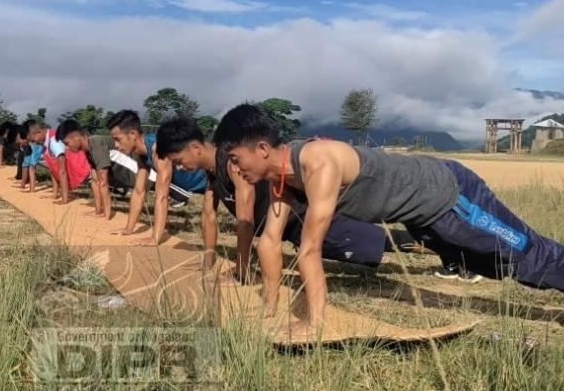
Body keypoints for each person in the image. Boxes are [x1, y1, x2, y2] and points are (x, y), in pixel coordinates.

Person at [214, 103, 564, 339]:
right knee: (495, 267)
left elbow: (309, 249)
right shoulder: (284, 180)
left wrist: (312, 324)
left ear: (263, 148)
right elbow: (270, 242)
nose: (234, 170)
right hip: (424, 219)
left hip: (450, 196)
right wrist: (268, 311)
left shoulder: (317, 161)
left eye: (236, 160)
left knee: (523, 252)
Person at [155, 117, 436, 284]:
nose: (180, 168)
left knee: (381, 240)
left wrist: (242, 270)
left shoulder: (232, 165)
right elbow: (208, 215)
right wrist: (209, 255)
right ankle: (443, 248)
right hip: (292, 231)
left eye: (179, 161)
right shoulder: (212, 172)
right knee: (370, 246)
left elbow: (245, 221)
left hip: (306, 217)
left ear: (194, 148)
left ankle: (446, 253)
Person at [107, 110, 207, 246]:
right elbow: (138, 191)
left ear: (132, 135)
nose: (116, 145)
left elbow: (162, 197)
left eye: (118, 139)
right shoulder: (140, 153)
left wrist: (155, 238)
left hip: (208, 180)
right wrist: (128, 229)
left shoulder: (158, 151)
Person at [57, 119, 115, 219]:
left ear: (76, 136)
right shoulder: (88, 150)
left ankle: (106, 213)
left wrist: (106, 216)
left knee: (101, 181)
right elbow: (95, 180)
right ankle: (98, 210)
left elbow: (103, 182)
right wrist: (97, 211)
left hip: (136, 172)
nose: (66, 148)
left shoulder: (96, 143)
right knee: (95, 180)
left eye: (67, 143)